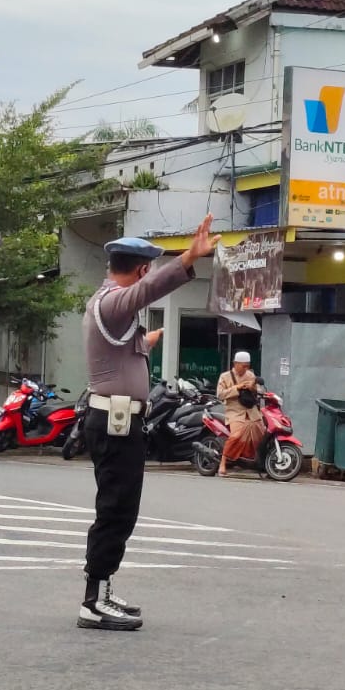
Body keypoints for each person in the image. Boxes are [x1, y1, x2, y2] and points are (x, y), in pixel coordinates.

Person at [77, 216, 218, 631]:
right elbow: (146, 292)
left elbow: (120, 350)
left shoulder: (110, 307)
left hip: (118, 421)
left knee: (121, 509)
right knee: (115, 510)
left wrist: (146, 342)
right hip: (114, 421)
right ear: (141, 269)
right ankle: (93, 601)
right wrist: (188, 258)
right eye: (149, 269)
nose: (149, 275)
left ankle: (102, 589)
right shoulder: (113, 302)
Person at [215, 350, 265, 477]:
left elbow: (259, 391)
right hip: (235, 412)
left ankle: (256, 462)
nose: (246, 369)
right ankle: (223, 462)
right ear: (236, 364)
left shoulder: (250, 375)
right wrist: (237, 388)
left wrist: (252, 387)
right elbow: (220, 394)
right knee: (236, 436)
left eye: (247, 366)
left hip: (251, 411)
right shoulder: (225, 376)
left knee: (261, 434)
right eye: (243, 366)